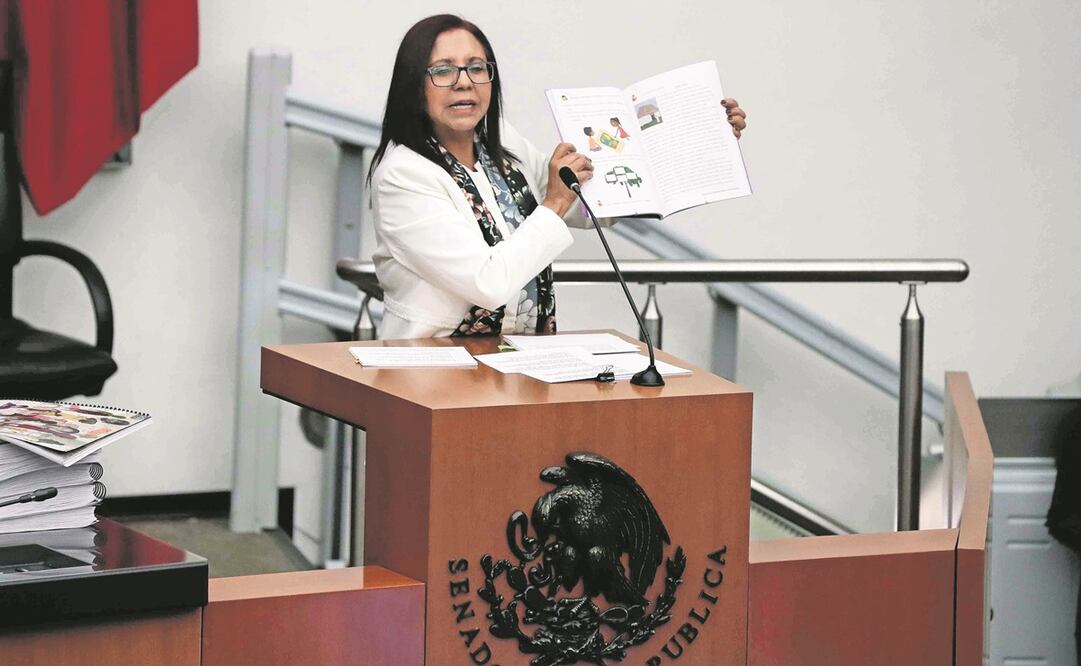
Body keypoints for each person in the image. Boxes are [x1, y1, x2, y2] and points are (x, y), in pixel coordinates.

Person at [368, 14, 746, 339]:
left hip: (515, 364)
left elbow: (583, 205)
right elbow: (488, 282)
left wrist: (695, 140)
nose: (463, 81)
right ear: (414, 87)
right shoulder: (403, 174)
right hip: (428, 376)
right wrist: (554, 201)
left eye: (476, 67)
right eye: (443, 70)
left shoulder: (500, 141)